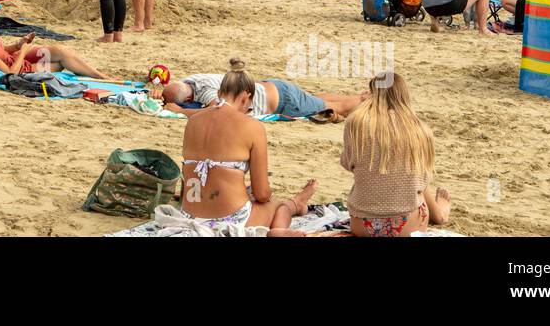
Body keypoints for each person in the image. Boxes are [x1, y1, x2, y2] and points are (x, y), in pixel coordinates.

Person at [175, 59, 317, 233]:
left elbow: (192, 173)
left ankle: (297, 203)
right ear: (246, 97)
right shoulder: (252, 127)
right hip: (229, 218)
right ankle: (286, 220)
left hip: (189, 214)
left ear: (219, 93)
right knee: (278, 204)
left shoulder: (193, 122)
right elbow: (262, 194)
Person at [340, 73, 452, 237]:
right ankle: (440, 214)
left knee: (386, 173)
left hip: (363, 227)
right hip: (407, 227)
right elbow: (422, 181)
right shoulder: (421, 130)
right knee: (414, 176)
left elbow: (349, 164)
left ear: (373, 95)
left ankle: (438, 214)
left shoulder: (355, 123)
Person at [0, 2, 106, 79]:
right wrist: (23, 52)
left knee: (60, 50)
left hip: (17, 57)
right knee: (59, 65)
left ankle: (101, 76)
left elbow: (2, 51)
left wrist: (18, 45)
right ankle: (100, 77)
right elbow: (9, 73)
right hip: (22, 68)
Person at [160, 70, 367, 119]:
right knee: (317, 99)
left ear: (189, 99)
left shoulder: (205, 93)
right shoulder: (194, 78)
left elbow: (217, 112)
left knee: (331, 107)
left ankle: (366, 102)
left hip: (283, 102)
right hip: (273, 87)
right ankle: (360, 97)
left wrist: (180, 111)